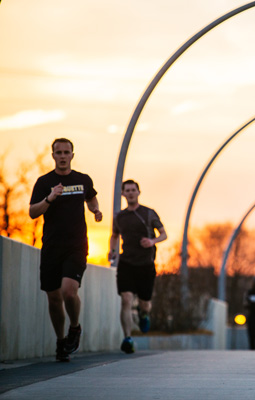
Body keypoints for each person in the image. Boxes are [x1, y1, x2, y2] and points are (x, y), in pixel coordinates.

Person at [29, 138, 102, 362]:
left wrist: (96, 211)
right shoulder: (44, 182)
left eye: (66, 152)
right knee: (53, 298)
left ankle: (75, 327)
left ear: (72, 154)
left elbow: (91, 198)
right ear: (53, 156)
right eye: (58, 152)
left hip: (76, 246)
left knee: (69, 291)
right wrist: (50, 198)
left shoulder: (82, 179)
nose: (62, 156)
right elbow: (32, 212)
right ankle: (61, 343)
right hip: (52, 246)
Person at [109, 179, 167, 354]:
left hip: (145, 264)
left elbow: (164, 234)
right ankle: (127, 338)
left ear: (138, 192)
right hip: (126, 262)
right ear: (123, 194)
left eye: (134, 190)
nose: (131, 193)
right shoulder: (120, 217)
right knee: (126, 299)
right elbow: (114, 235)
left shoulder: (149, 214)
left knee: (145, 303)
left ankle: (144, 314)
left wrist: (152, 241)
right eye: (127, 190)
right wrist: (112, 251)